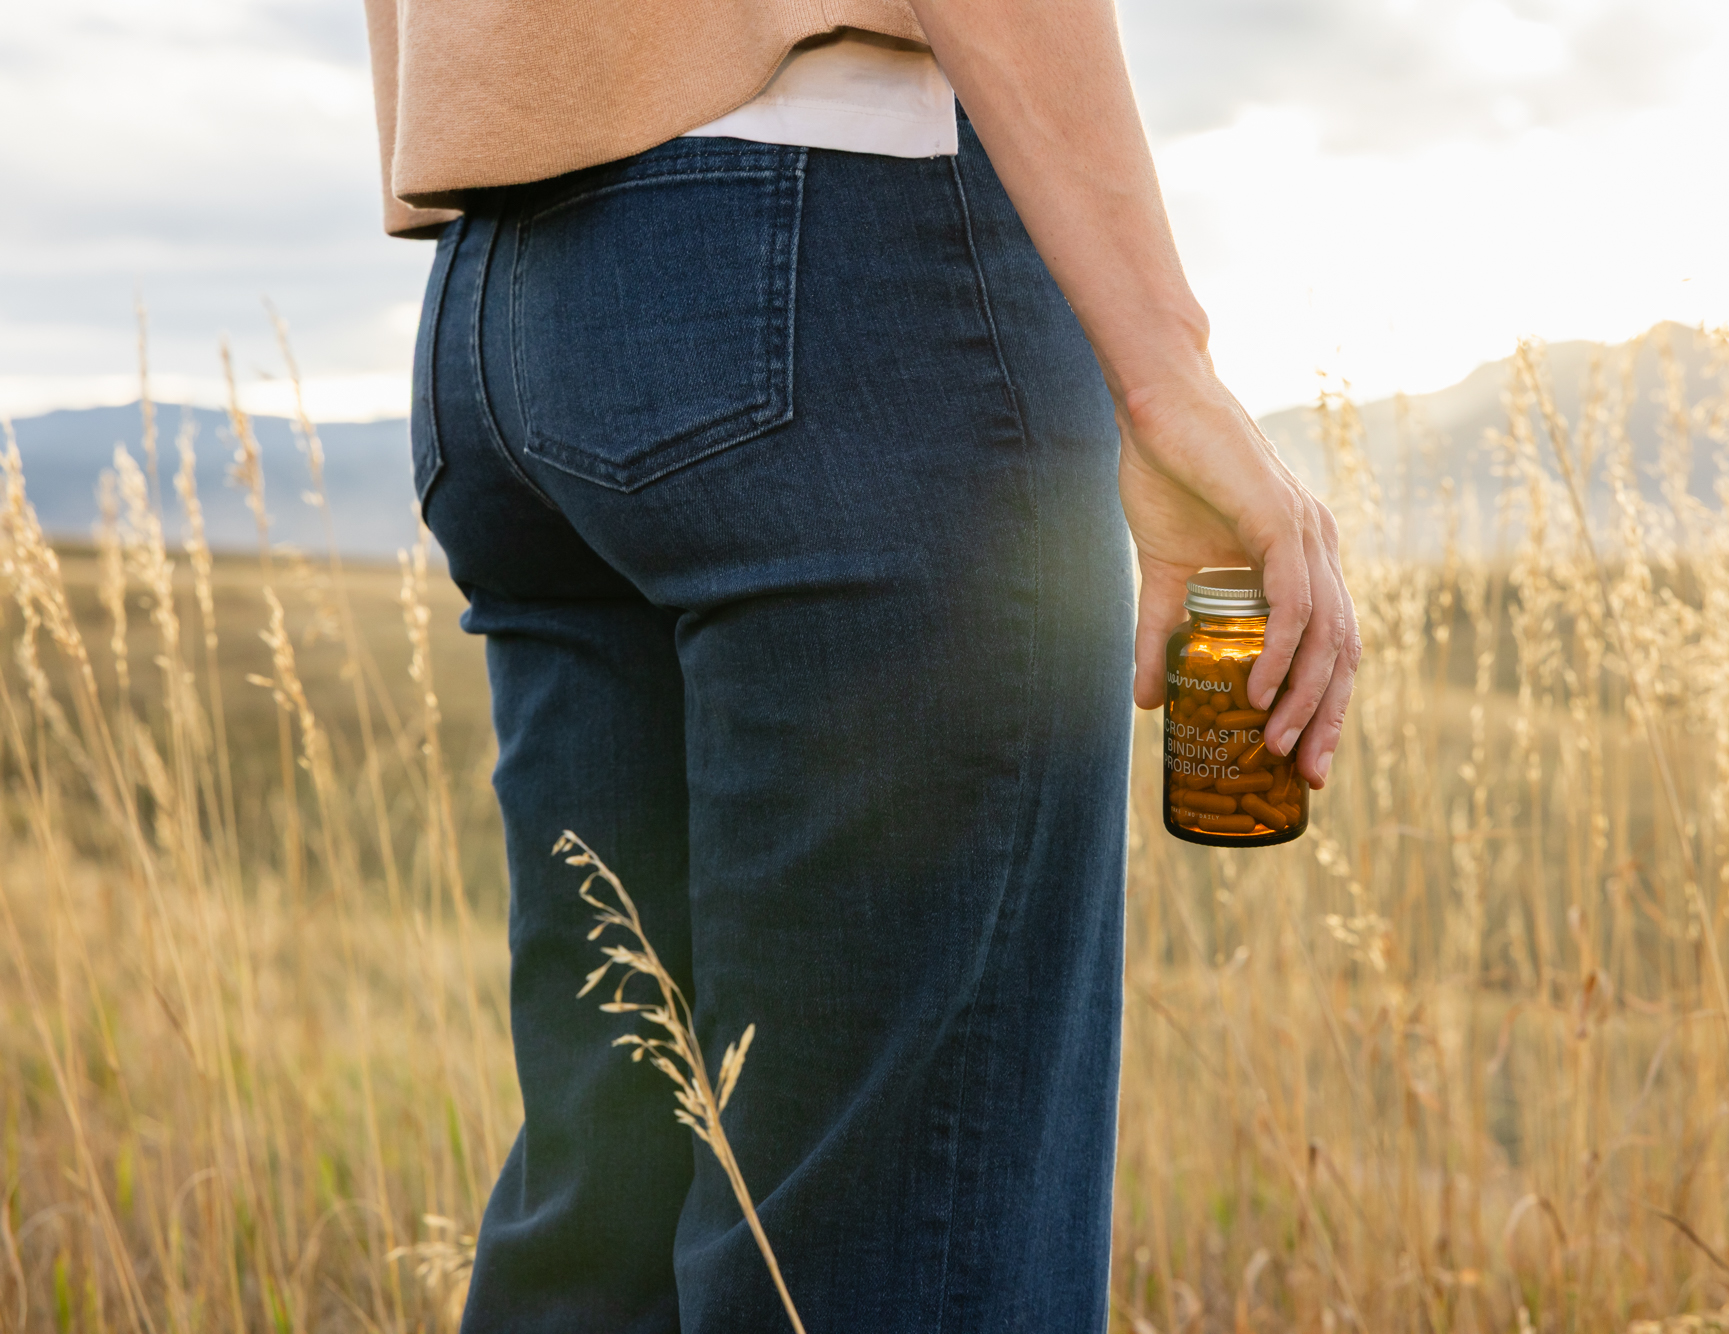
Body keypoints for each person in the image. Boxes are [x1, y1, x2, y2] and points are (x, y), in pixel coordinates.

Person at [363, 0, 1362, 1328]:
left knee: (603, 1217)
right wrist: (1164, 368)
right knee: (887, 1261)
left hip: (501, 296)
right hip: (836, 252)